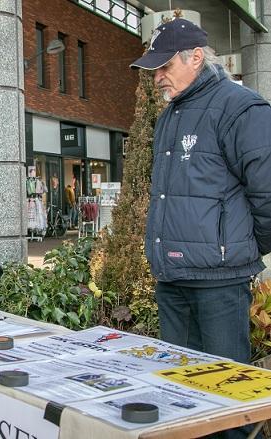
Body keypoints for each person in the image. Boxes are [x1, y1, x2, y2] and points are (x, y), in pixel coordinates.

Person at [132, 18, 271, 438]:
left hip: (219, 282)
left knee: (226, 404)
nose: (156, 78)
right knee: (182, 400)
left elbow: (267, 195)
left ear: (196, 57)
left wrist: (240, 247)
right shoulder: (170, 117)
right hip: (172, 278)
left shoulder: (241, 108)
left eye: (163, 67)